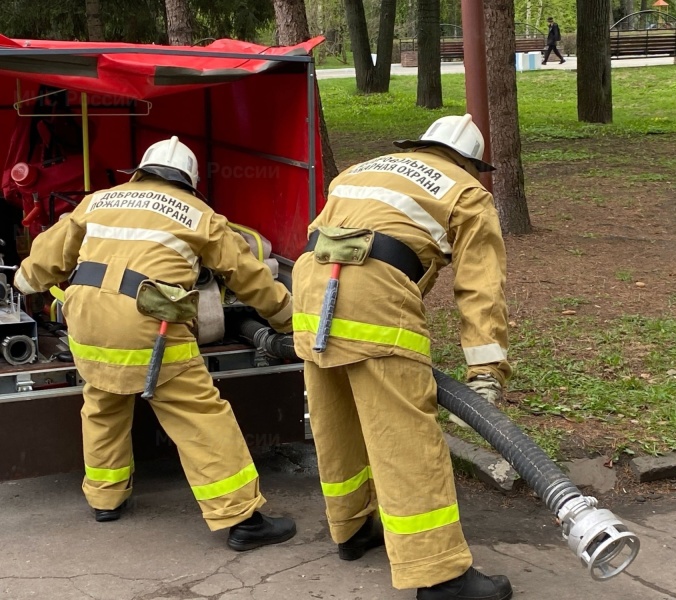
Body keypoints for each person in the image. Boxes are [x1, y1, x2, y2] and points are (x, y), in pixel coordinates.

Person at [13, 136, 297, 551]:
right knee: (201, 417)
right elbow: (248, 276)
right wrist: (288, 319)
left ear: (141, 171)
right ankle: (240, 518)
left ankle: (105, 499)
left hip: (86, 318)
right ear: (189, 181)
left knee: (102, 404)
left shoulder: (99, 200)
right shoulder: (200, 215)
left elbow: (47, 258)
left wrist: (23, 282)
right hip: (150, 328)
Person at [291, 114, 513, 600]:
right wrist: (484, 368)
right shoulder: (466, 191)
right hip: (373, 294)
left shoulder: (359, 170)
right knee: (405, 435)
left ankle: (351, 528)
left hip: (309, 288)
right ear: (469, 163)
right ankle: (438, 575)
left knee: (336, 417)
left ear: (421, 144)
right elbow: (480, 287)